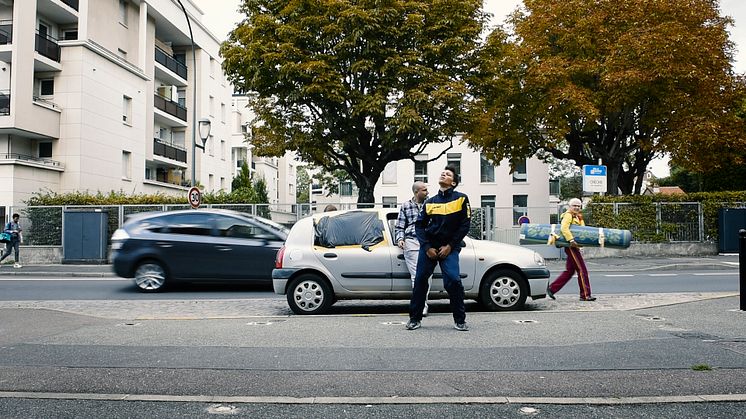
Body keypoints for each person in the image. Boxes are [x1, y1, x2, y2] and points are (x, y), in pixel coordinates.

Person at [406, 166, 471, 331]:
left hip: (450, 248)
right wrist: (427, 247)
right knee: (420, 280)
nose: (444, 174)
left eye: (448, 174)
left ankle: (460, 320)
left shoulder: (462, 199)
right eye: (443, 172)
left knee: (454, 281)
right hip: (430, 248)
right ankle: (414, 319)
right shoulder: (430, 202)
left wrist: (450, 246)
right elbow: (419, 226)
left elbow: (465, 225)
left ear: (453, 182)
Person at [546, 198, 595, 301]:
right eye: (574, 206)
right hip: (571, 246)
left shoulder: (578, 217)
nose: (577, 207)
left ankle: (552, 289)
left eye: (578, 206)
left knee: (570, 271)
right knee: (582, 270)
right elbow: (564, 228)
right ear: (570, 206)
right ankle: (585, 295)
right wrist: (571, 240)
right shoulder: (568, 215)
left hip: (575, 246)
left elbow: (582, 230)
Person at [395, 181, 430, 316]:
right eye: (424, 190)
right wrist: (400, 239)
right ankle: (422, 305)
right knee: (417, 276)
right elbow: (399, 226)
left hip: (427, 242)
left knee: (427, 275)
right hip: (412, 241)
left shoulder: (431, 204)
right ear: (416, 192)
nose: (427, 192)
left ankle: (422, 304)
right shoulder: (406, 206)